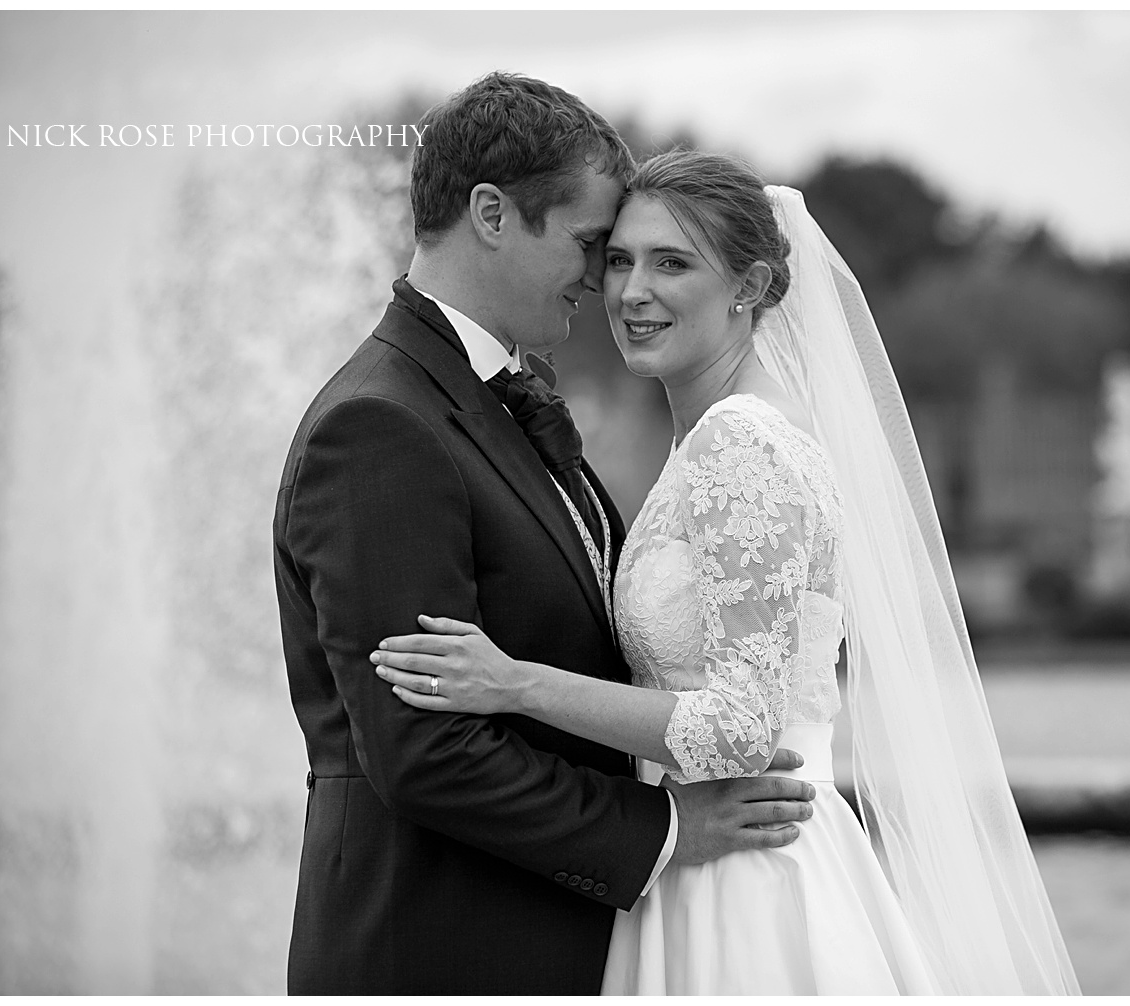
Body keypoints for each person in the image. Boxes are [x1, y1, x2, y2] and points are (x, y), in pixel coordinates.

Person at [371, 149, 1081, 994]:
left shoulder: (743, 446)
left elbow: (744, 727)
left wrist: (516, 684)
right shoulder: (712, 437)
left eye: (673, 263)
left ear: (749, 287)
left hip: (749, 878)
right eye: (620, 259)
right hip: (701, 854)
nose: (632, 291)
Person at [273, 75, 816, 995]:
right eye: (594, 247)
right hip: (441, 944)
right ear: (492, 213)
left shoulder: (492, 400)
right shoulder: (382, 426)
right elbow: (422, 750)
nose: (609, 281)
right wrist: (666, 830)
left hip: (564, 934)